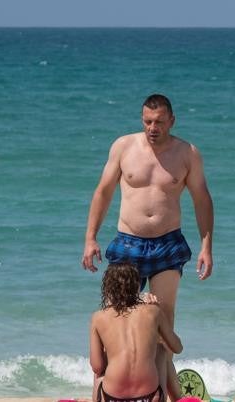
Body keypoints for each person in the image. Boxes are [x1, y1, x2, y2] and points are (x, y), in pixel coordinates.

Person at [82, 93, 214, 396]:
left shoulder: (187, 153)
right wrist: (90, 238)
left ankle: (164, 394)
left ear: (172, 121)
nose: (152, 127)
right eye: (147, 122)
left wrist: (207, 246)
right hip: (127, 243)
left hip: (168, 245)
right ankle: (105, 394)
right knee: (114, 321)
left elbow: (202, 200)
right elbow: (103, 192)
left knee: (162, 329)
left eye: (159, 122)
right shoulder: (124, 147)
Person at [90, 261, 184, 402]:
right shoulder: (153, 311)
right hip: (150, 397)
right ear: (138, 286)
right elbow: (177, 348)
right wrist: (157, 328)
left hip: (112, 398)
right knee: (161, 350)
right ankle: (180, 399)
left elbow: (97, 367)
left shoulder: (98, 317)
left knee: (102, 364)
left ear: (108, 289)